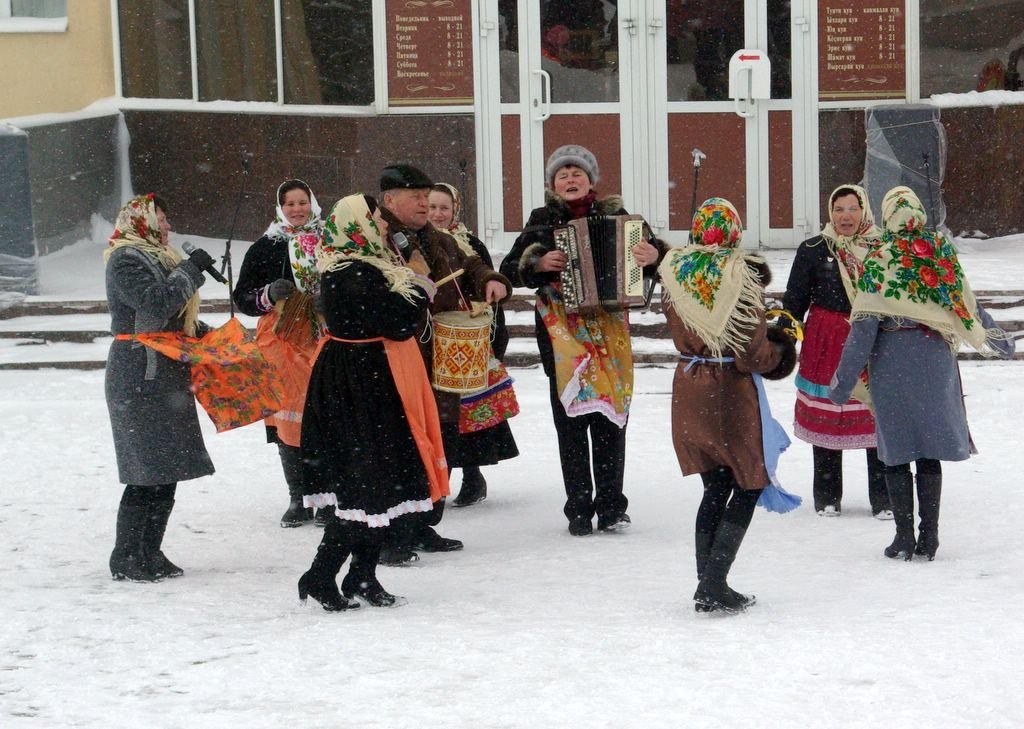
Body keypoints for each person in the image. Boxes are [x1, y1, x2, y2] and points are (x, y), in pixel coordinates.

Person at [829, 186, 1015, 561]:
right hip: (934, 359)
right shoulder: (940, 252)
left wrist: (842, 382)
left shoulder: (880, 257)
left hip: (892, 359)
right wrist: (998, 338)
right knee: (928, 451)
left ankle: (902, 537)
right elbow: (967, 304)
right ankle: (929, 536)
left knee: (896, 450)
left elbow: (864, 327)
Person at [499, 145, 663, 536]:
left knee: (611, 415)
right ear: (552, 184)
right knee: (570, 419)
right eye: (562, 175)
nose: (570, 180)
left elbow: (656, 259)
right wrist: (537, 264)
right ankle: (577, 507)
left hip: (608, 331)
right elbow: (510, 268)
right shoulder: (542, 220)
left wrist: (652, 255)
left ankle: (610, 505)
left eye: (577, 173)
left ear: (591, 180)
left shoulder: (619, 217)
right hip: (562, 334)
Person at [297, 193, 447, 610]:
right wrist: (418, 288)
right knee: (364, 488)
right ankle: (319, 575)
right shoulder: (348, 270)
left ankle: (362, 577)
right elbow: (398, 323)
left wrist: (412, 284)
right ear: (355, 224)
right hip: (357, 388)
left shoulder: (371, 265)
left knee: (382, 487)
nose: (385, 227)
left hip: (375, 383)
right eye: (377, 220)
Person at [659, 197, 797, 612]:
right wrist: (782, 346)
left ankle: (708, 580)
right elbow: (750, 355)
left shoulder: (675, 272)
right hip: (728, 393)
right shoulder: (741, 277)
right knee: (749, 483)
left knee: (715, 486)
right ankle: (714, 582)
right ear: (735, 231)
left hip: (688, 385)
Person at [378, 164, 513, 562]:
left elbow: (469, 264)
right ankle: (395, 532)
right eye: (416, 197)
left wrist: (491, 277)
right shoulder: (378, 240)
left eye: (428, 197)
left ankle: (423, 523)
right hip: (398, 358)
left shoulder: (435, 239)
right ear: (389, 200)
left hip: (441, 360)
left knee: (439, 438)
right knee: (405, 443)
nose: (425, 205)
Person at [104, 193, 216, 582]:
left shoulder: (157, 258)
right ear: (142, 223)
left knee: (165, 470)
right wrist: (189, 271)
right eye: (163, 220)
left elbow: (172, 319)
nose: (168, 226)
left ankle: (149, 551)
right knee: (144, 471)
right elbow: (152, 309)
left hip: (165, 376)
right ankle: (126, 556)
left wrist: (214, 338)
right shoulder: (125, 259)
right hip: (138, 376)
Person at [782, 184, 891, 519]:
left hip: (874, 339)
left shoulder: (882, 248)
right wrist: (785, 338)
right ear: (830, 212)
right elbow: (795, 300)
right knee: (829, 416)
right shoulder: (814, 248)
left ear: (865, 211)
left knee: (876, 416)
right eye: (839, 209)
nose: (846, 216)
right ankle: (827, 495)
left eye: (853, 208)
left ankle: (884, 497)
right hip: (826, 340)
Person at [233, 179, 330, 528]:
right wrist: (268, 294)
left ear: (313, 203)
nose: (297, 209)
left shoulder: (331, 242)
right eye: (289, 204)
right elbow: (242, 297)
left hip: (323, 338)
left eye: (302, 202)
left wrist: (329, 301)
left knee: (324, 417)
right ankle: (299, 496)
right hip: (281, 342)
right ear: (279, 207)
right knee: (288, 422)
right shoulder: (265, 247)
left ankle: (329, 497)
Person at [427, 182, 519, 507]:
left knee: (471, 414)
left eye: (444, 208)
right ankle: (441, 480)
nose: (438, 214)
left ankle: (471, 474)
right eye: (432, 207)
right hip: (437, 337)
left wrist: (495, 341)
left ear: (455, 209)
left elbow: (485, 281)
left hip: (470, 338)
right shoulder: (417, 244)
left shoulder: (469, 244)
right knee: (445, 415)